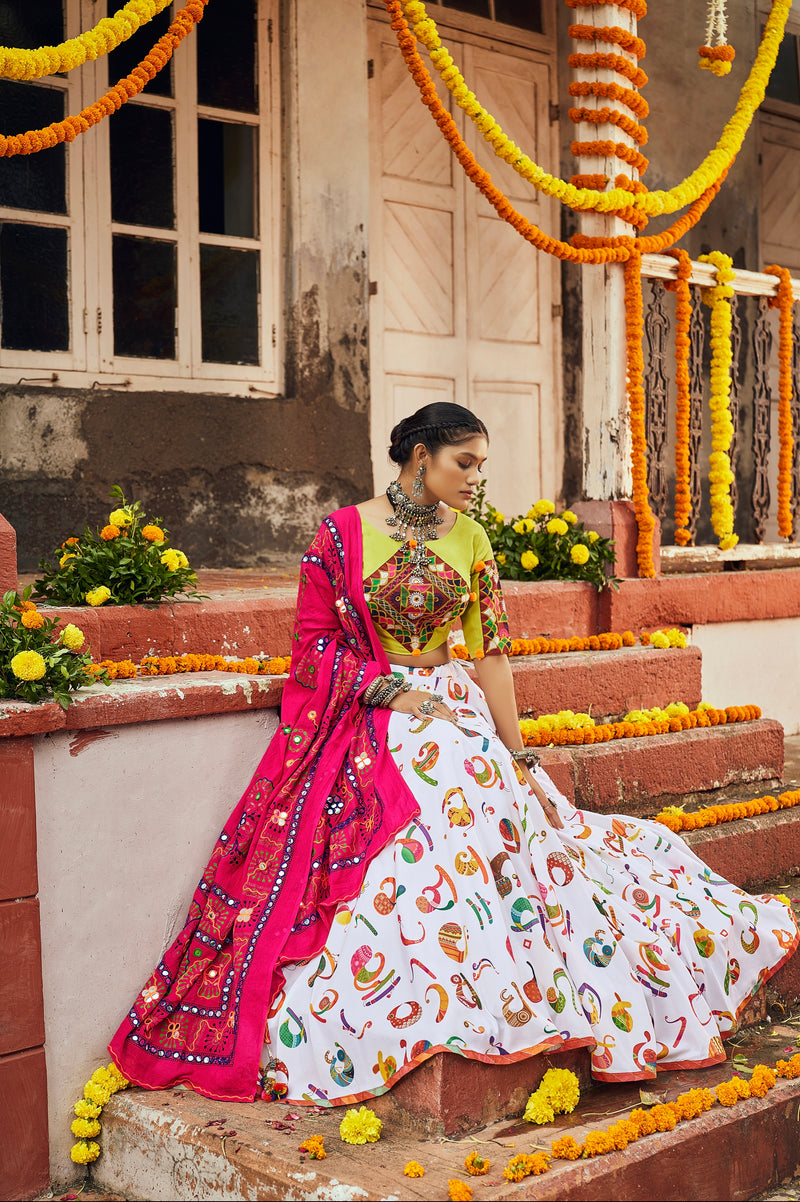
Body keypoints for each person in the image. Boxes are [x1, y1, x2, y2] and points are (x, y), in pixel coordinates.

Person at [110, 402, 798, 1107]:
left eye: (481, 466)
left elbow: (493, 653)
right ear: (419, 457)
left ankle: (508, 975)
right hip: (374, 711)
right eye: (463, 463)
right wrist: (391, 694)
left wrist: (519, 752)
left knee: (488, 804)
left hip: (454, 707)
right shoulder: (340, 534)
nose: (475, 479)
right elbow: (314, 645)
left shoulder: (471, 539)